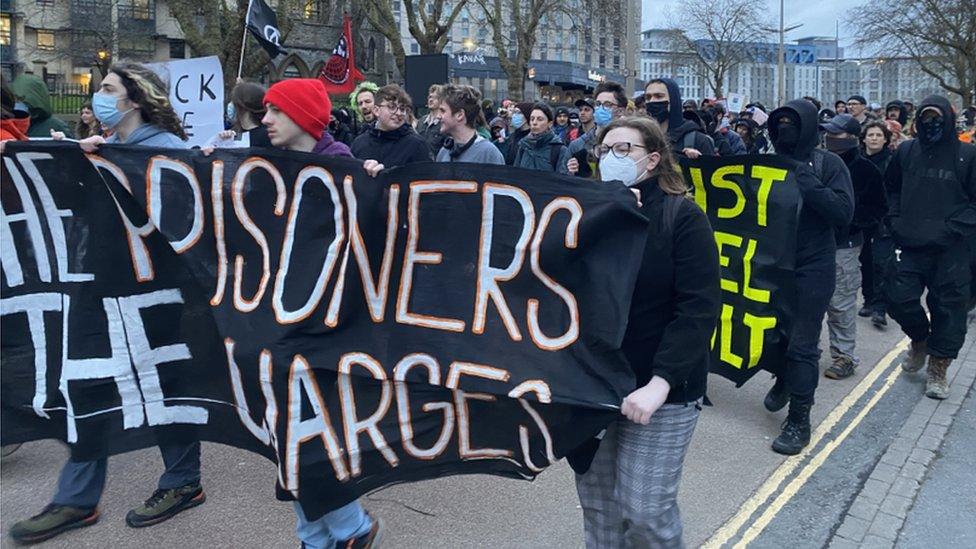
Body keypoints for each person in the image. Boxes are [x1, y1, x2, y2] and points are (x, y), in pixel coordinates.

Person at [10, 63, 204, 545]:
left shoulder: (167, 151)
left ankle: (182, 483)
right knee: (88, 383)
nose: (97, 96)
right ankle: (77, 498)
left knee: (164, 386)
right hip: (97, 286)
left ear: (134, 100)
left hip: (155, 293)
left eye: (108, 89)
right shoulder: (92, 149)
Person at [573, 116, 721, 548]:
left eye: (624, 150)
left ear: (653, 159)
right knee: (598, 504)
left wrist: (662, 382)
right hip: (594, 385)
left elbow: (699, 307)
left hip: (661, 391)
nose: (611, 159)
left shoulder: (684, 218)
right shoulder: (589, 212)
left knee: (644, 510)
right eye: (605, 151)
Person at [257, 78, 382, 548]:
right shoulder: (271, 165)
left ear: (303, 118)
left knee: (312, 431)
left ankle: (349, 529)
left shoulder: (341, 167)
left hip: (327, 325)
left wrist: (374, 183)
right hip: (281, 319)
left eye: (275, 111)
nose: (264, 120)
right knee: (288, 433)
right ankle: (316, 535)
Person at [764, 99, 854, 455]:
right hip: (772, 262)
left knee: (802, 344)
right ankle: (784, 377)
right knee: (772, 335)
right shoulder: (767, 162)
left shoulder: (828, 164)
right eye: (779, 122)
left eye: (792, 123)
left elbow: (843, 212)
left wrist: (808, 183)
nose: (785, 128)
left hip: (813, 265)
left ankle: (799, 420)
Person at [885, 95, 976, 400]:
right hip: (909, 242)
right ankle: (920, 340)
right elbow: (892, 189)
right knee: (898, 298)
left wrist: (952, 230)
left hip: (951, 248)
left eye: (937, 117)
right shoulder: (907, 151)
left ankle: (939, 366)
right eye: (925, 117)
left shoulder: (968, 156)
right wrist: (895, 220)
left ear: (948, 120)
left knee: (950, 310)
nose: (931, 123)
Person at [819, 114, 887, 380]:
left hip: (845, 245)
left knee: (841, 303)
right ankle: (807, 351)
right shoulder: (818, 162)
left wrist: (851, 223)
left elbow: (878, 207)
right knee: (810, 301)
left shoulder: (866, 169)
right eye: (829, 134)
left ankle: (845, 355)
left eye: (836, 135)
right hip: (815, 242)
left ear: (851, 138)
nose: (830, 139)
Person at [859, 120, 896, 328]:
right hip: (863, 218)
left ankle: (880, 307)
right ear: (864, 139)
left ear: (885, 139)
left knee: (882, 262)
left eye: (878, 135)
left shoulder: (891, 162)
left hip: (884, 219)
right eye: (870, 135)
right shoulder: (859, 160)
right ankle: (868, 299)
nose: (874, 139)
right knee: (866, 262)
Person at [352, 84, 431, 172]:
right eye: (392, 107)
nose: (399, 113)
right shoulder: (359, 143)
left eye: (402, 108)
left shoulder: (417, 144)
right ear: (376, 110)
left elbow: (426, 181)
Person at [644, 78, 715, 160]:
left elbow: (710, 171)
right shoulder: (640, 137)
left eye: (659, 96)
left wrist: (700, 161)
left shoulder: (699, 140)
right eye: (648, 97)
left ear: (673, 100)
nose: (652, 101)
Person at [435, 84, 505, 165]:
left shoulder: (489, 154)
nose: (438, 116)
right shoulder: (443, 152)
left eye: (442, 111)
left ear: (460, 115)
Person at [11, 73, 73, 138]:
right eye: (16, 98)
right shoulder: (9, 124)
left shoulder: (56, 127)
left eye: (21, 99)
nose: (18, 104)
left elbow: (73, 146)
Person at [513, 102, 570, 174]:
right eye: (532, 119)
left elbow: (562, 180)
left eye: (539, 119)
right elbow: (516, 174)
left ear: (550, 124)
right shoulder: (523, 146)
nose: (534, 123)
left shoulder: (559, 150)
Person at [216, 80, 272, 147]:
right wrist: (223, 142)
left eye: (234, 103)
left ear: (241, 107)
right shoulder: (234, 133)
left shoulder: (268, 136)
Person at [417, 84, 446, 155]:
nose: (430, 100)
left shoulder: (444, 122)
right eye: (429, 97)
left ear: (441, 100)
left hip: (437, 164)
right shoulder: (421, 121)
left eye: (434, 97)